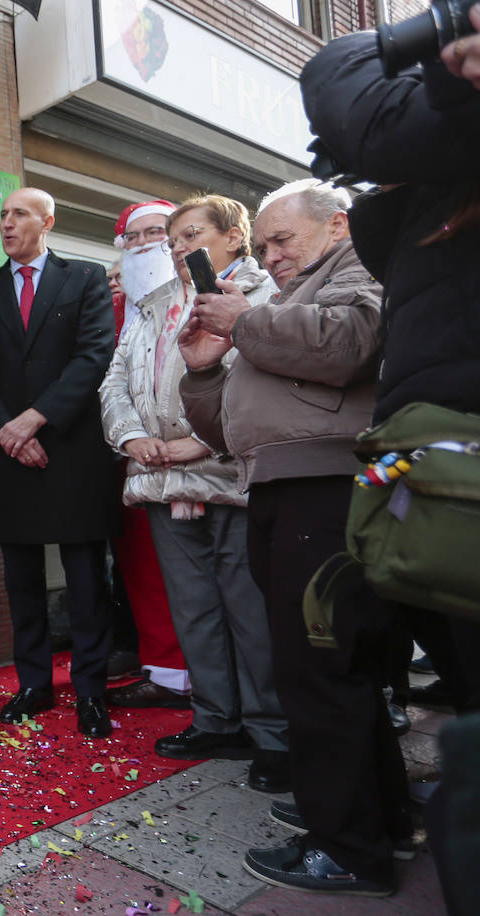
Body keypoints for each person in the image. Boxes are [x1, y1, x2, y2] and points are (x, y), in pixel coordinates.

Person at [177, 179, 403, 896]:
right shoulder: (284, 300)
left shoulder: (360, 266)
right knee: (326, 670)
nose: (270, 256)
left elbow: (352, 345)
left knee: (321, 672)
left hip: (324, 490)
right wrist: (204, 373)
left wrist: (243, 324)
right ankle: (376, 817)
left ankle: (347, 845)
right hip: (280, 488)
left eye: (283, 240)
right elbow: (230, 427)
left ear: (336, 225)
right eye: (266, 244)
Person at [301, 18, 480, 911]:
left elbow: (340, 80)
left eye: (277, 246)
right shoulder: (426, 200)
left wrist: (424, 41)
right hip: (435, 484)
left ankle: (366, 838)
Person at [100, 195, 288, 791]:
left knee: (249, 613)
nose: (179, 248)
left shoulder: (264, 296)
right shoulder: (150, 304)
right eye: (174, 239)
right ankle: (215, 719)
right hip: (160, 477)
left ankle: (272, 735)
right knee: (195, 611)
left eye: (191, 234)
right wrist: (132, 437)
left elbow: (262, 384)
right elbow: (115, 379)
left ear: (235, 237)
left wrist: (204, 445)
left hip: (231, 478)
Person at [0, 187, 118, 738]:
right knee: (21, 578)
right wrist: (10, 431)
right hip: (7, 454)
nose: (7, 222)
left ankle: (91, 692)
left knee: (86, 579)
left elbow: (94, 354)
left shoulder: (86, 278)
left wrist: (36, 419)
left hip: (71, 449)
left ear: (47, 221)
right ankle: (33, 685)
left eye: (19, 213)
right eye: (2, 214)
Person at [103, 200, 191, 708]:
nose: (143, 245)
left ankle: (218, 679)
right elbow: (111, 382)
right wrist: (131, 436)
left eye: (155, 234)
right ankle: (167, 673)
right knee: (142, 569)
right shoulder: (120, 309)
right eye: (131, 238)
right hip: (136, 461)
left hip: (202, 460)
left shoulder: (208, 290)